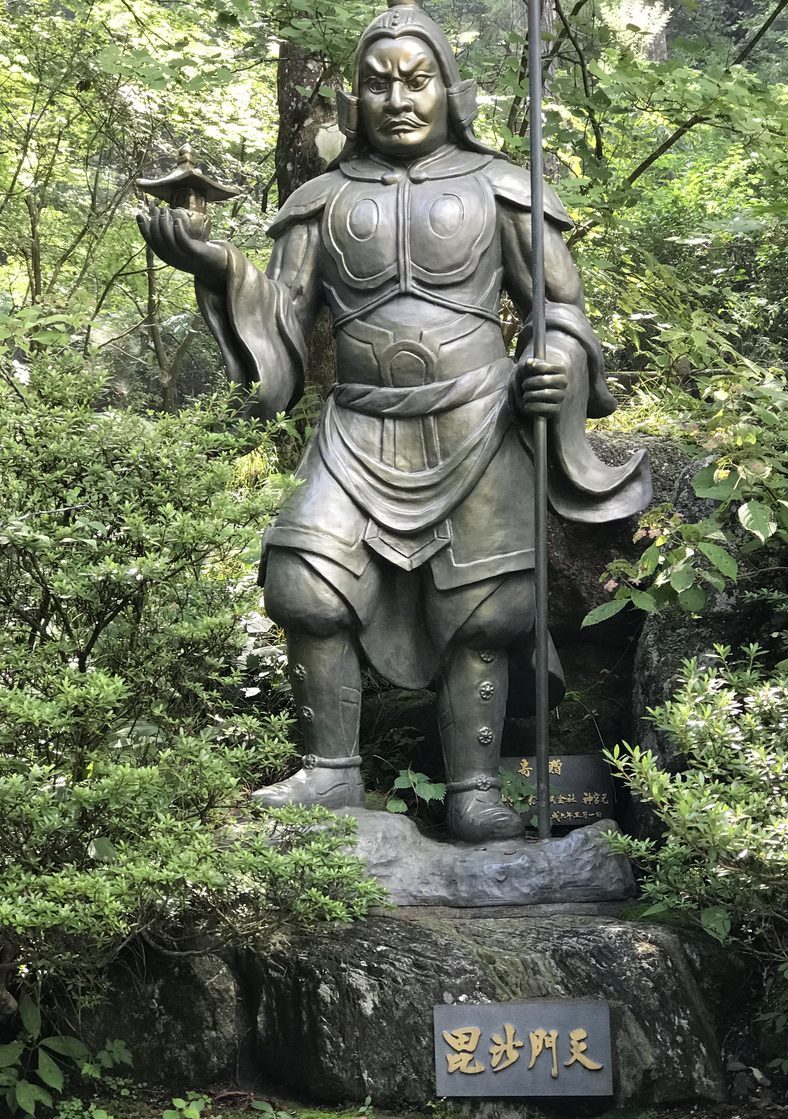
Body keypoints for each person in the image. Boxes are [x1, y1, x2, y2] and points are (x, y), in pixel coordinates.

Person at [137, 0, 650, 842]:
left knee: (484, 614)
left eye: (418, 81)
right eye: (378, 85)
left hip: (478, 421)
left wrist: (558, 364)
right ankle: (330, 773)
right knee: (302, 584)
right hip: (357, 426)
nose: (399, 99)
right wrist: (220, 264)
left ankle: (475, 791)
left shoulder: (502, 186)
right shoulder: (320, 199)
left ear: (454, 92)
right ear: (352, 105)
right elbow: (285, 313)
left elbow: (561, 308)